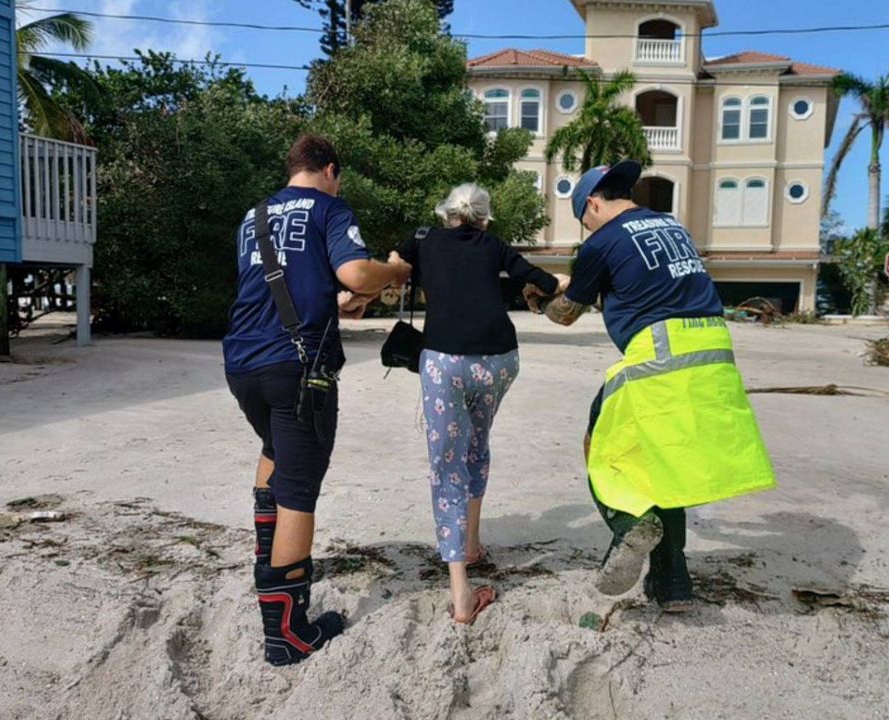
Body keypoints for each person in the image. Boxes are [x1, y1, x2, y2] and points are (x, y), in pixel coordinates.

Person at [527, 161, 776, 612]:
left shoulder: (600, 244)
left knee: (597, 442)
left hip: (661, 355)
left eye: (585, 221)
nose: (587, 230)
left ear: (595, 204)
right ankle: (672, 583)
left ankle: (630, 522)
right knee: (664, 460)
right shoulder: (672, 226)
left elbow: (566, 313)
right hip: (713, 353)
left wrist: (540, 299)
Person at [223, 134, 411, 665]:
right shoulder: (330, 207)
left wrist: (343, 302)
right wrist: (393, 273)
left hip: (243, 362)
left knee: (274, 449)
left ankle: (269, 562)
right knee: (299, 493)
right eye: (339, 176)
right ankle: (287, 633)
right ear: (329, 170)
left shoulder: (253, 215)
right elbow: (354, 270)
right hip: (298, 368)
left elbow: (282, 281)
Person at [392, 183, 566, 624]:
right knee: (476, 444)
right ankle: (471, 544)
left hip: (444, 364)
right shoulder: (494, 244)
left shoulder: (422, 240)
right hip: (498, 361)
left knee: (446, 463)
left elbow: (390, 271)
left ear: (446, 213)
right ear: (484, 217)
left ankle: (461, 595)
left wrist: (354, 295)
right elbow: (542, 280)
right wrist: (561, 282)